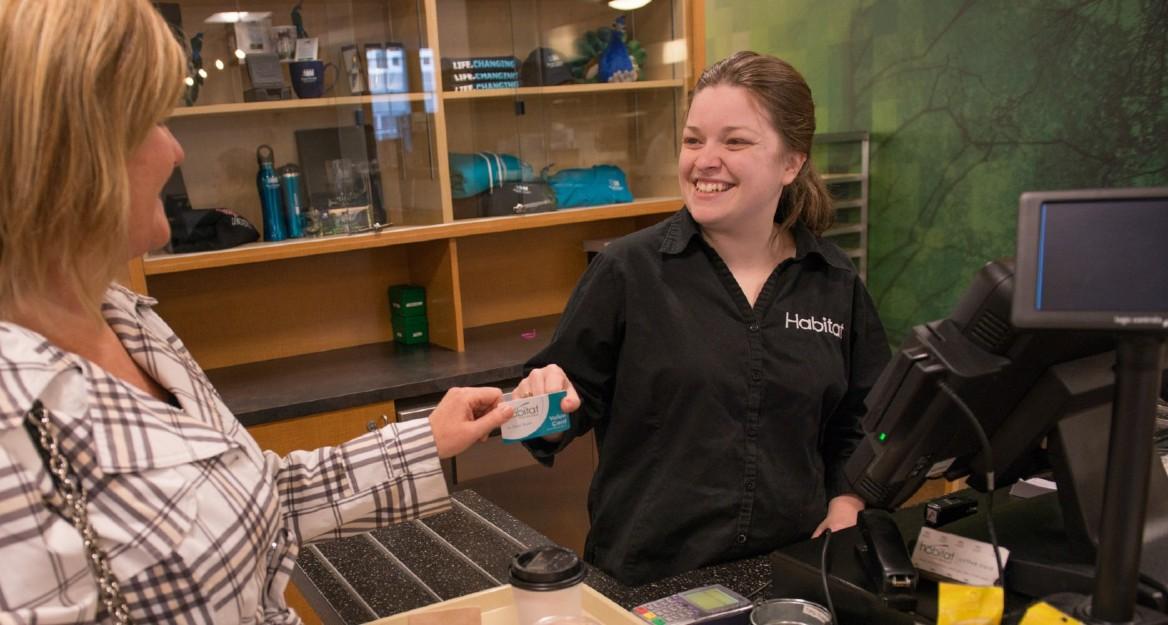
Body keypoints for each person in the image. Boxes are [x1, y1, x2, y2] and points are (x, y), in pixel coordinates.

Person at [0, 0, 511, 622]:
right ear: (67, 153)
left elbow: (243, 497)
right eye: (151, 121)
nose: (175, 150)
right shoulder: (12, 413)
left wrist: (424, 440)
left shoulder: (127, 318)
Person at [514, 51, 891, 585]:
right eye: (694, 140)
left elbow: (864, 422)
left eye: (734, 142)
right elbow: (555, 417)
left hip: (788, 575)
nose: (705, 160)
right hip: (646, 580)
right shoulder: (628, 270)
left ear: (792, 162)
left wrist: (849, 499)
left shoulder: (832, 280)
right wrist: (542, 409)